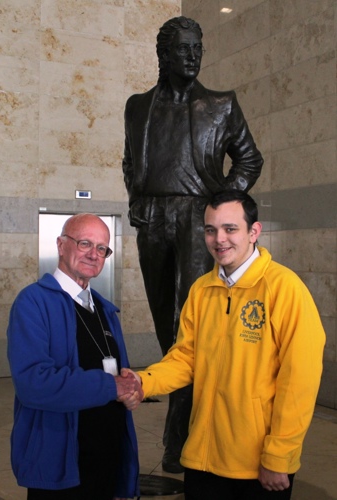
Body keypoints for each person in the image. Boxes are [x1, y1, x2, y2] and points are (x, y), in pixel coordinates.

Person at [122, 15, 264, 472]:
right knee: (168, 326)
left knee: (190, 323)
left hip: (196, 220)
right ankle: (185, 416)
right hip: (153, 220)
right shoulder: (137, 106)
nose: (193, 56)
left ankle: (178, 435)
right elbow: (130, 161)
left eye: (197, 48)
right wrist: (137, 196)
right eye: (184, 49)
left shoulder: (221, 104)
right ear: (164, 55)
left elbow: (249, 157)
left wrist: (221, 205)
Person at [128, 190, 325, 499]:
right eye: (210, 229)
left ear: (253, 231)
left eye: (230, 228)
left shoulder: (285, 290)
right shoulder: (202, 290)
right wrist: (144, 381)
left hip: (256, 466)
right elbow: (184, 359)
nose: (219, 239)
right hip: (202, 459)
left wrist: (279, 456)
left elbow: (299, 382)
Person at [7, 213, 142, 500]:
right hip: (60, 465)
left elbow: (118, 375)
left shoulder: (106, 311)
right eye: (84, 243)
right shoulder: (33, 302)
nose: (94, 254)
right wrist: (111, 386)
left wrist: (131, 387)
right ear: (61, 244)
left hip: (107, 461)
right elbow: (33, 383)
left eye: (102, 248)